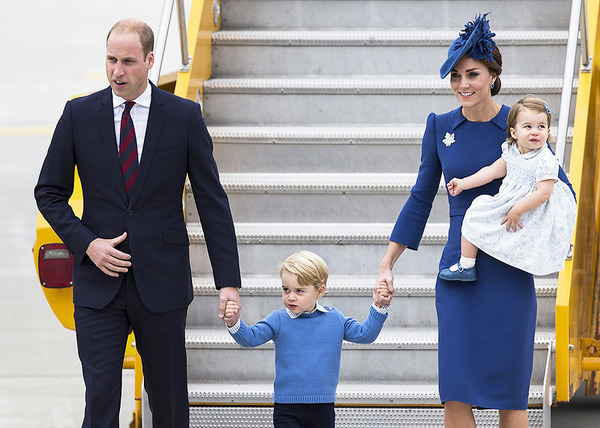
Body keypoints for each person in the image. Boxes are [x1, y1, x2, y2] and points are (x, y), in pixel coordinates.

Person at [34, 19, 241, 427]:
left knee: (168, 406)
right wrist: (87, 243)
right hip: (98, 288)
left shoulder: (184, 117)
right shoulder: (78, 114)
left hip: (161, 285)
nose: (116, 71)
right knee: (100, 407)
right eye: (111, 60)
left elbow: (212, 203)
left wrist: (227, 282)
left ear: (149, 60)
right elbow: (48, 193)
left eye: (128, 62)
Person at [374, 14, 574, 428]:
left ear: (493, 75)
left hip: (510, 265)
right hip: (459, 270)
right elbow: (419, 198)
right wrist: (387, 263)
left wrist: (544, 236)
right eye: (455, 77)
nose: (463, 84)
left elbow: (559, 191)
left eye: (473, 74)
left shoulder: (524, 126)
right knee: (456, 393)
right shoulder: (440, 126)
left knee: (510, 397)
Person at [222, 251, 391, 428]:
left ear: (320, 291)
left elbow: (366, 334)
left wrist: (380, 306)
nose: (291, 296)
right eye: (286, 289)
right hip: (286, 408)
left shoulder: (335, 319)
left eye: (299, 291)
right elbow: (250, 338)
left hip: (323, 408)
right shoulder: (278, 319)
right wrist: (234, 322)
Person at [439, 96, 577, 282]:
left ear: (548, 131)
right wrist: (464, 183)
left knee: (515, 227)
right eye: (528, 127)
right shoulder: (512, 151)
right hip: (510, 200)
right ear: (514, 132)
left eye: (541, 127)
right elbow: (492, 171)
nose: (535, 132)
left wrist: (517, 210)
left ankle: (514, 258)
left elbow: (544, 193)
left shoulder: (545, 159)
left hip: (533, 208)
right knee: (476, 211)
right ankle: (467, 265)